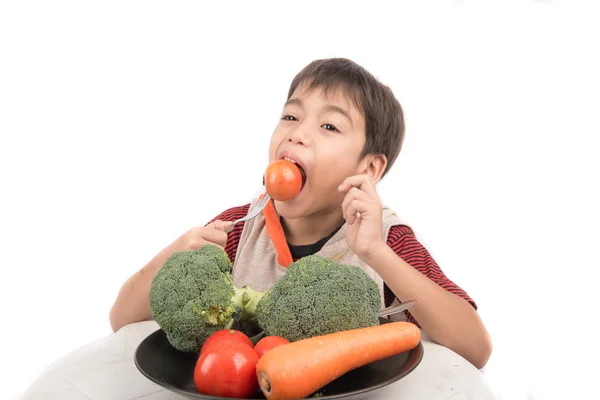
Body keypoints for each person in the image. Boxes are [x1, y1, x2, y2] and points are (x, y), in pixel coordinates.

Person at [109, 58, 492, 369]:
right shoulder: (236, 231)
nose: (297, 134)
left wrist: (377, 253)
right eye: (291, 117)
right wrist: (176, 251)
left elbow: (475, 348)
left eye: (329, 126)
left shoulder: (386, 240)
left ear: (369, 169)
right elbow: (121, 318)